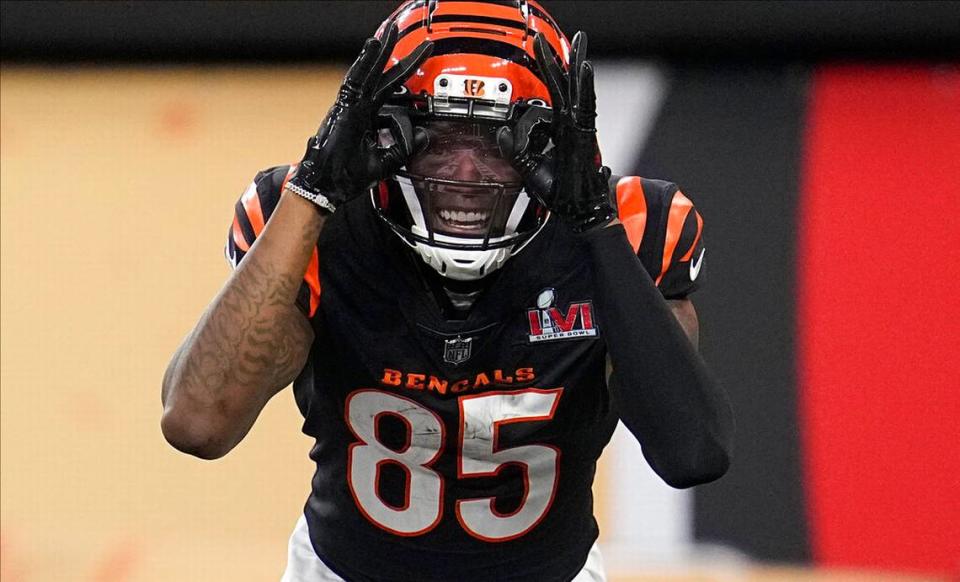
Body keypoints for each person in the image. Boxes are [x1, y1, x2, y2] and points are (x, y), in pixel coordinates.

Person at [160, 1, 733, 580]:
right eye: (438, 139)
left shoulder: (632, 226)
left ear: (551, 142)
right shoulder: (312, 225)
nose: (464, 173)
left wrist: (595, 226)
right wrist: (312, 192)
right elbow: (198, 423)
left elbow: (691, 452)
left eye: (495, 145)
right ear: (386, 135)